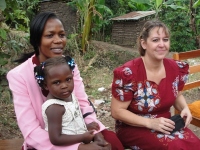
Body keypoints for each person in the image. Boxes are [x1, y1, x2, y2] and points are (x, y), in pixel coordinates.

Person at [7, 11, 124, 150]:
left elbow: (83, 104)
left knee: (113, 143)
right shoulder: (19, 75)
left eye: (61, 35)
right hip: (48, 141)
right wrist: (78, 147)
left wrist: (95, 133)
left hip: (79, 130)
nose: (58, 40)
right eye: (50, 35)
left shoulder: (69, 66)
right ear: (37, 40)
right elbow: (31, 131)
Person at [111, 19, 200, 150]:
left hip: (166, 124)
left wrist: (185, 108)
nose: (162, 44)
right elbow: (117, 111)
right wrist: (150, 123)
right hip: (134, 127)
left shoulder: (175, 68)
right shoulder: (129, 73)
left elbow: (177, 94)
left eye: (165, 39)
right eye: (155, 40)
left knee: (195, 144)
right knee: (174, 146)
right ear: (144, 43)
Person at [34, 56, 99, 145]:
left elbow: (71, 122)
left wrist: (85, 127)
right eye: (57, 82)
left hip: (77, 141)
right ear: (45, 85)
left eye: (68, 79)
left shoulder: (70, 96)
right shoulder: (54, 108)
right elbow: (56, 139)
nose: (64, 86)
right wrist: (82, 137)